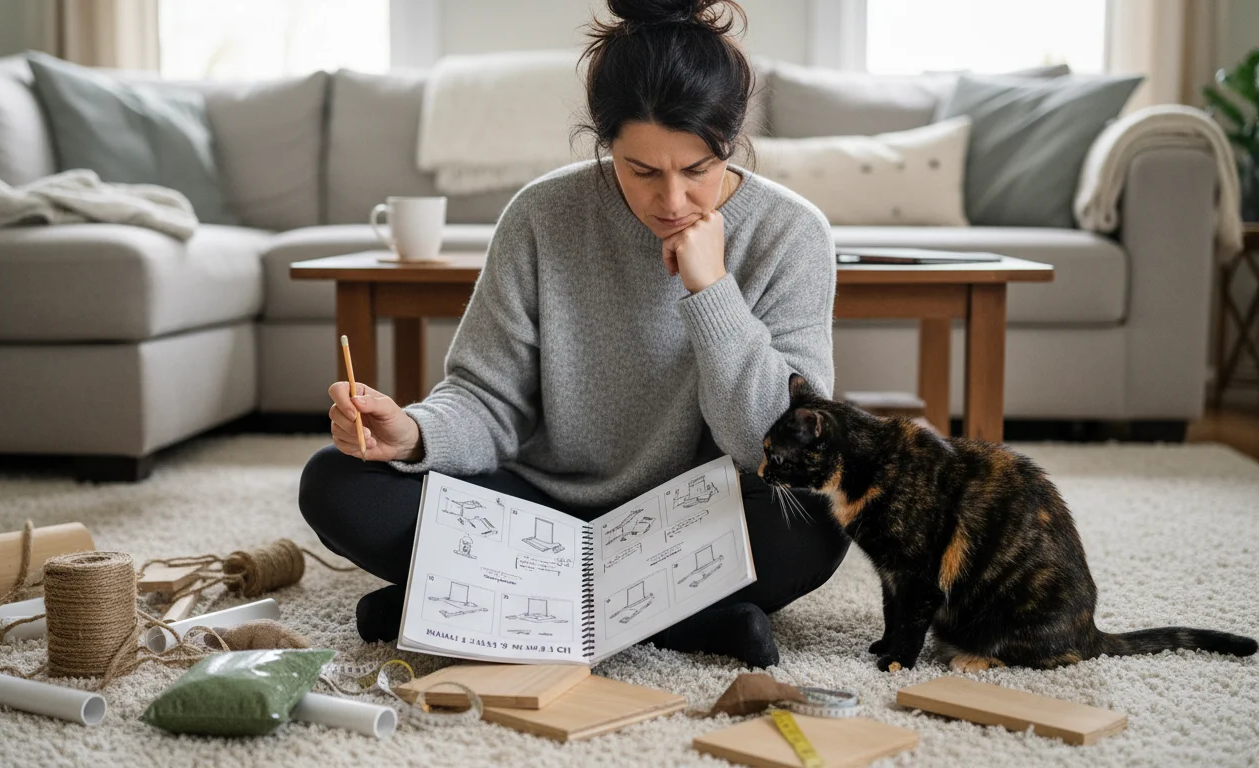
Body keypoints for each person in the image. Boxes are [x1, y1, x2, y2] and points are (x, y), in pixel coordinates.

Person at [298, 0, 849, 668]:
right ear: (605, 143)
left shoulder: (792, 233)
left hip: (685, 524)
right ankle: (681, 619)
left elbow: (776, 447)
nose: (672, 201)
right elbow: (486, 401)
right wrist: (412, 434)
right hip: (541, 517)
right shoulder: (540, 215)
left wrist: (712, 293)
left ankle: (476, 608)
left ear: (729, 144)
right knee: (337, 482)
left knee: (820, 509)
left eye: (696, 169)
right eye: (642, 170)